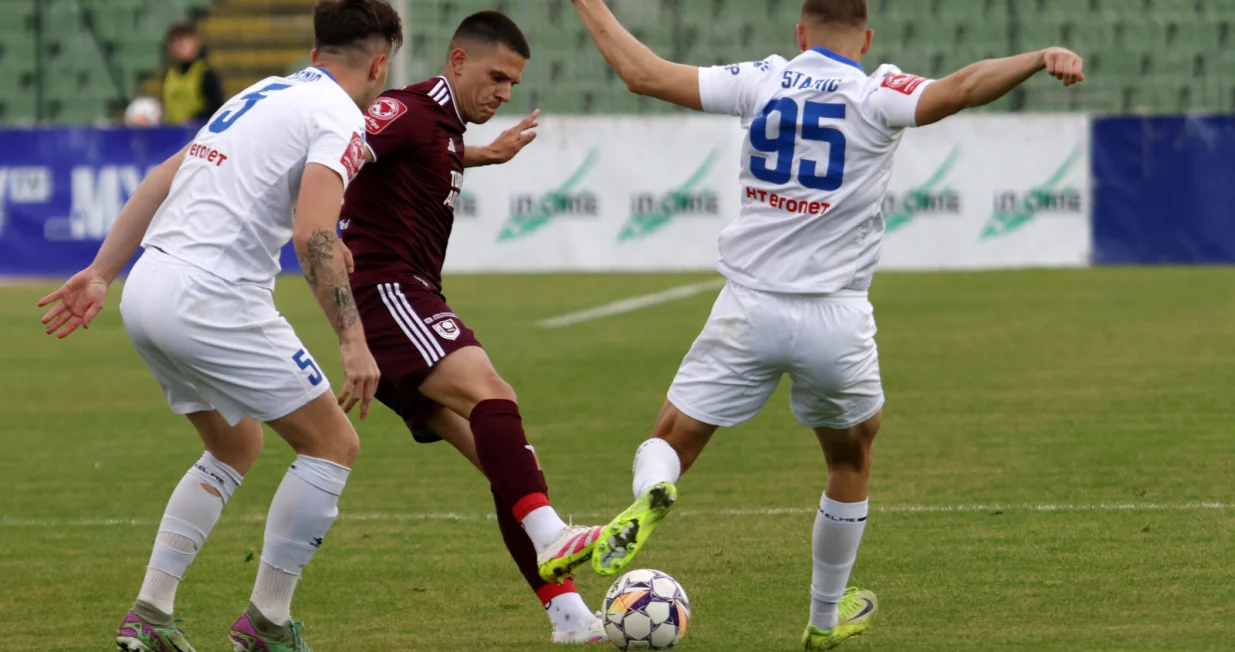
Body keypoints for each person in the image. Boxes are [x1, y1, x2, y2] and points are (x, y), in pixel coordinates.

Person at [568, 0, 1086, 649]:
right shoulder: (876, 91)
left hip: (747, 305)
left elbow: (641, 72)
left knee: (672, 436)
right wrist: (1036, 57)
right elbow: (960, 89)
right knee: (850, 455)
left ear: (799, 32)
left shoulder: (760, 78)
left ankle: (654, 490)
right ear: (864, 37)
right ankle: (822, 614)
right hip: (833, 316)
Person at [37, 1, 401, 650]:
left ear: (316, 53)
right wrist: (354, 342)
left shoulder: (264, 93)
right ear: (379, 65)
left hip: (148, 288)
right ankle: (266, 623)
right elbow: (312, 229)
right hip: (213, 299)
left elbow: (159, 179)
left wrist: (99, 272)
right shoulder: (342, 117)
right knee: (332, 444)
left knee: (235, 447)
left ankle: (150, 615)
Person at [340, 10, 661, 644]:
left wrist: (485, 154)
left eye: (513, 83)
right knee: (494, 395)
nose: (504, 93)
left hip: (405, 296)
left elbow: (430, 151)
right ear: (457, 61)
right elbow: (340, 157)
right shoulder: (407, 107)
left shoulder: (441, 126)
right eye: (496, 77)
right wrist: (321, 227)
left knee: (507, 466)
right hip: (389, 292)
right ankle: (555, 537)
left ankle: (570, 619)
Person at [161, 23, 225, 125]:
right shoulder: (168, 74)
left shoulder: (206, 73)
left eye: (185, 39)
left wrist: (195, 119)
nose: (180, 45)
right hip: (172, 134)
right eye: (175, 41)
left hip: (197, 133)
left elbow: (217, 109)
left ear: (195, 42)